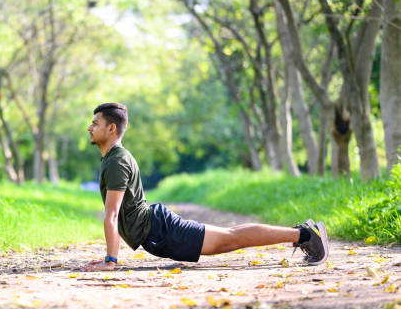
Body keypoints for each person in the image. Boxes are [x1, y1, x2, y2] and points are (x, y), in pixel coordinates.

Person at [82, 102, 329, 272]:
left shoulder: (116, 161)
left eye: (95, 123)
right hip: (158, 228)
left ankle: (306, 235)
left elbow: (112, 215)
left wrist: (110, 261)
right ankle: (304, 233)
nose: (89, 128)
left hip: (161, 230)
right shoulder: (113, 159)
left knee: (231, 239)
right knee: (231, 236)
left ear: (111, 128)